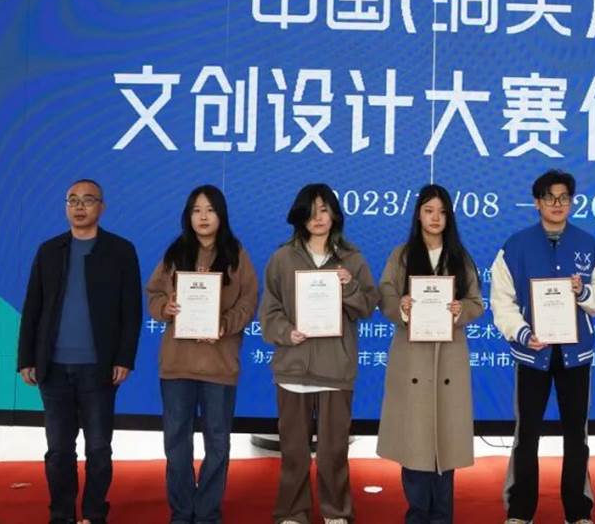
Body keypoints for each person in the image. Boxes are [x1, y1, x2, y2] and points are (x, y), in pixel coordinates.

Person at [490, 169, 595, 524]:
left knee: (576, 435)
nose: (557, 204)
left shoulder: (589, 245)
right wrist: (522, 333)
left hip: (576, 356)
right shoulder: (515, 246)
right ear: (537, 202)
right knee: (527, 434)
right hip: (533, 354)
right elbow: (501, 301)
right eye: (549, 197)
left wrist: (583, 292)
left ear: (571, 202)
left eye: (563, 197)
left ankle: (578, 511)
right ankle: (520, 511)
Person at [16, 179, 142, 524]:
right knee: (59, 450)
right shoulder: (49, 250)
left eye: (87, 200)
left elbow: (131, 310)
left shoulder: (120, 251)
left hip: (98, 368)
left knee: (98, 449)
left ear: (102, 206)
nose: (79, 206)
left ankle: (94, 513)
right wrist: (26, 358)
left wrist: (124, 358)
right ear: (66, 207)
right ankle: (61, 515)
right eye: (72, 200)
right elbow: (33, 307)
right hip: (53, 368)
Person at [259, 183, 380, 524]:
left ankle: (336, 512)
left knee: (333, 451)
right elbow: (269, 312)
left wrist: (349, 286)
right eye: (311, 211)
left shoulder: (352, 259)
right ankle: (292, 512)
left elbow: (368, 306)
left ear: (335, 215)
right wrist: (287, 332)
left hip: (335, 369)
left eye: (324, 210)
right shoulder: (282, 258)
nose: (318, 218)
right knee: (294, 451)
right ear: (300, 216)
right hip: (292, 368)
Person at [146, 185, 259, 524]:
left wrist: (224, 324)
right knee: (176, 442)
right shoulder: (175, 253)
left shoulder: (236, 255)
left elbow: (249, 302)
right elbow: (153, 294)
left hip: (219, 365)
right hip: (177, 365)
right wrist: (165, 307)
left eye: (210, 210)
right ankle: (182, 512)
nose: (203, 217)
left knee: (218, 443)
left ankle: (207, 512)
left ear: (221, 215)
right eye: (196, 210)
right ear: (188, 216)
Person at [377, 184, 484, 524]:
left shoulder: (460, 257)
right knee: (415, 446)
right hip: (413, 360)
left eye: (441, 211)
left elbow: (476, 303)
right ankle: (417, 515)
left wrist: (461, 309)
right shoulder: (402, 255)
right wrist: (402, 307)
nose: (435, 218)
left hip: (449, 360)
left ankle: (442, 517)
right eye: (428, 210)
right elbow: (385, 296)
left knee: (445, 447)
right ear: (418, 215)